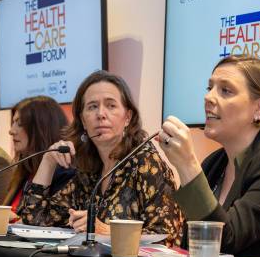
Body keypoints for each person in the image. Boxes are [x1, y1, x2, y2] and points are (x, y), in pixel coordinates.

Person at [158, 55, 260, 257]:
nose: (209, 98)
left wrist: (186, 164)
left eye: (225, 90)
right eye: (210, 88)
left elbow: (224, 241)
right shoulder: (214, 164)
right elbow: (193, 248)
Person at [19, 71, 183, 246]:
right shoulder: (88, 169)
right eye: (92, 107)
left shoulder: (147, 164)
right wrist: (48, 162)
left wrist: (107, 232)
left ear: (128, 117)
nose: (101, 114)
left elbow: (167, 238)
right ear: (83, 120)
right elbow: (34, 220)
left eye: (111, 106)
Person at [0, 96, 74, 221]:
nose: (11, 131)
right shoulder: (25, 170)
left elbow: (38, 224)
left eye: (20, 124)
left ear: (41, 128)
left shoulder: (65, 173)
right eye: (13, 123)